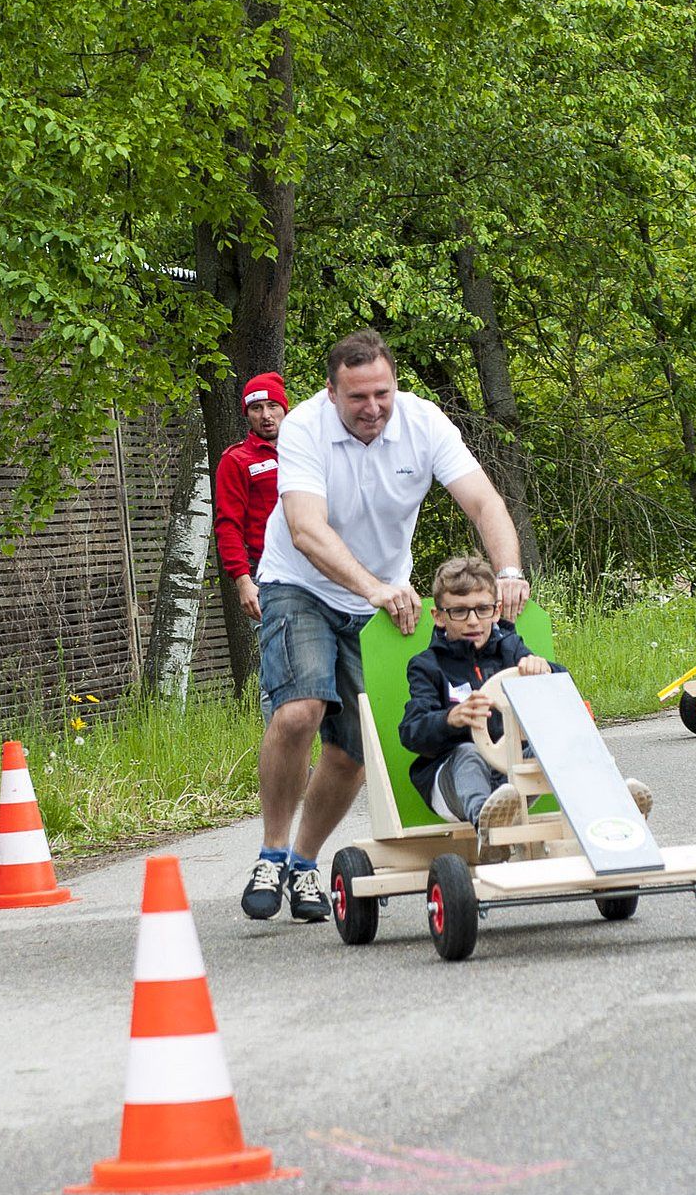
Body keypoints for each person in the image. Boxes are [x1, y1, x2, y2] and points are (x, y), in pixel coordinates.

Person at [242, 330, 534, 922]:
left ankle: (303, 864)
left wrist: (507, 569)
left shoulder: (424, 424)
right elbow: (305, 528)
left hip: (381, 600)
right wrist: (374, 587)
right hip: (302, 585)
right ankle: (271, 853)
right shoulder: (302, 428)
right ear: (331, 393)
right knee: (301, 708)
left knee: (354, 749)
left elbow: (483, 502)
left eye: (382, 393)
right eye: (357, 398)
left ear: (394, 384)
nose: (372, 408)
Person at [400, 555, 653, 858]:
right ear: (439, 616)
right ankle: (491, 831)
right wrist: (450, 719)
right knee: (468, 753)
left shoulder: (510, 649)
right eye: (459, 611)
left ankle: (613, 808)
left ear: (495, 611)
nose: (472, 620)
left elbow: (565, 695)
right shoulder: (427, 666)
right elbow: (412, 732)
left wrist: (546, 671)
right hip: (453, 784)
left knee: (560, 744)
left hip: (513, 779)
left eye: (482, 609)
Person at [213, 373, 287, 627]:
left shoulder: (307, 451)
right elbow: (227, 525)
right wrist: (244, 581)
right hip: (266, 572)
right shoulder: (236, 460)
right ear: (247, 414)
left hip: (317, 567)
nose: (266, 415)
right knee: (279, 657)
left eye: (272, 406)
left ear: (284, 409)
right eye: (257, 408)